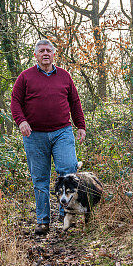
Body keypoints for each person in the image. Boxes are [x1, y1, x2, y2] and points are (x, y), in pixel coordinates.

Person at [11, 39, 86, 235]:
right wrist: (21, 122)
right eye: (41, 51)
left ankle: (66, 215)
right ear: (35, 55)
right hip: (34, 135)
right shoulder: (25, 77)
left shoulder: (64, 76)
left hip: (62, 131)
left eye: (49, 51)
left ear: (54, 54)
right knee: (40, 179)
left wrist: (81, 125)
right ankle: (43, 221)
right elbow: (15, 102)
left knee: (68, 170)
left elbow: (75, 102)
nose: (45, 53)